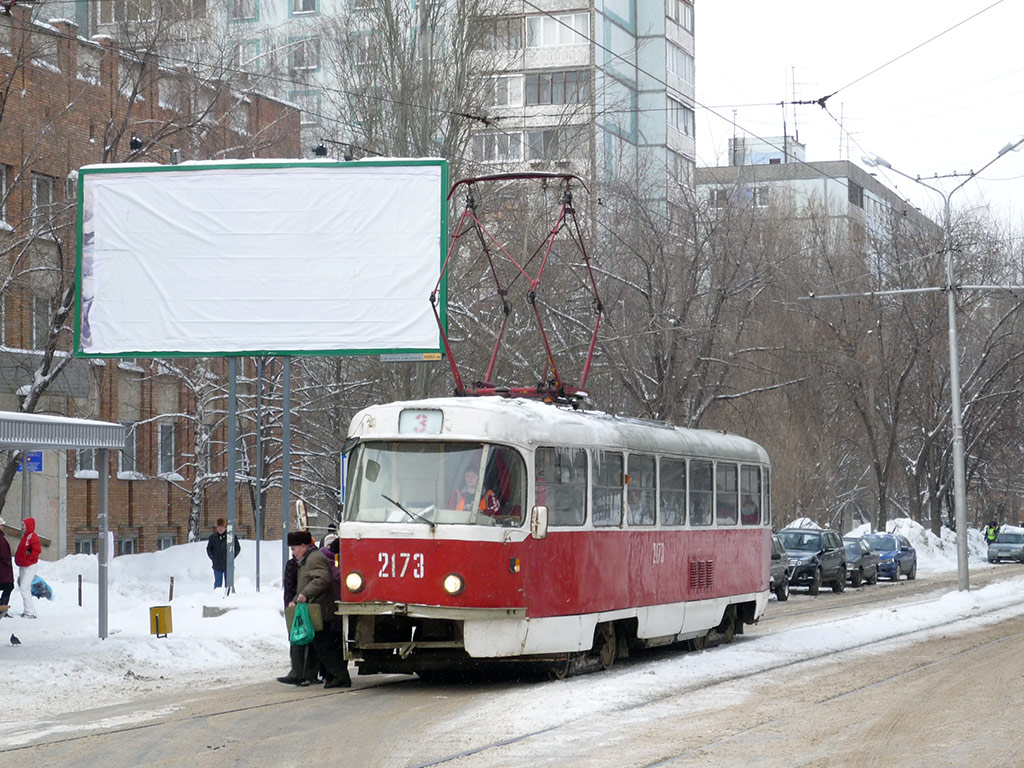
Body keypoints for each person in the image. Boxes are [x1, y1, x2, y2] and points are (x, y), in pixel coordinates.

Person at [287, 530, 351, 689]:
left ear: (303, 546)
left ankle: (340, 677)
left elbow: (323, 579)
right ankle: (335, 676)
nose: (293, 553)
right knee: (322, 646)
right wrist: (296, 600)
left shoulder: (314, 558)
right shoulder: (308, 558)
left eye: (294, 549)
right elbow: (305, 585)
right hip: (316, 608)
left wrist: (304, 595)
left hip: (320, 610)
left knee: (325, 646)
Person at [277, 536, 320, 687]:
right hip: (298, 604)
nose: (293, 552)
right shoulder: (295, 563)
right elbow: (289, 586)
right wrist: (290, 602)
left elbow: (292, 586)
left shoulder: (305, 562)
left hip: (303, 603)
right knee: (303, 637)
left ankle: (301, 673)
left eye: (294, 549)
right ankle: (306, 673)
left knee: (301, 637)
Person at [14, 517, 41, 619]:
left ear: (29, 526)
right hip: (24, 565)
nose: (22, 527)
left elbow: (35, 550)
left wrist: (28, 558)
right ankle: (27, 610)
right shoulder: (26, 537)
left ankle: (30, 612)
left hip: (29, 566)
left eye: (23, 525)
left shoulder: (32, 537)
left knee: (24, 587)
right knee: (24, 588)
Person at [206, 518, 241, 589]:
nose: (220, 529)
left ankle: (228, 598)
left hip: (228, 565)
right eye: (218, 527)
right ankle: (216, 597)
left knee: (228, 585)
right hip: (217, 565)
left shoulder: (231, 536)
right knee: (218, 583)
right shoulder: (213, 538)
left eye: (222, 527)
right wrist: (213, 558)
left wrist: (231, 557)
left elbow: (237, 548)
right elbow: (209, 549)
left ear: (225, 527)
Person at [0, 517, 13, 619]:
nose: (3, 526)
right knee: (9, 587)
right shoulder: (1, 540)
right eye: (2, 525)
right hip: (3, 570)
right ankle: (2, 608)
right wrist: (8, 562)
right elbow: (4, 555)